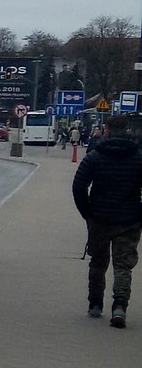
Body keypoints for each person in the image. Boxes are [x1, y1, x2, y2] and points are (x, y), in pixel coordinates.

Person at [72, 114, 142, 328]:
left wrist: (88, 213)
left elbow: (78, 187)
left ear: (107, 129)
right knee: (123, 266)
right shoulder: (138, 157)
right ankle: (120, 306)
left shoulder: (94, 156)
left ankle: (95, 304)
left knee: (98, 263)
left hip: (99, 219)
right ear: (127, 130)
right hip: (129, 220)